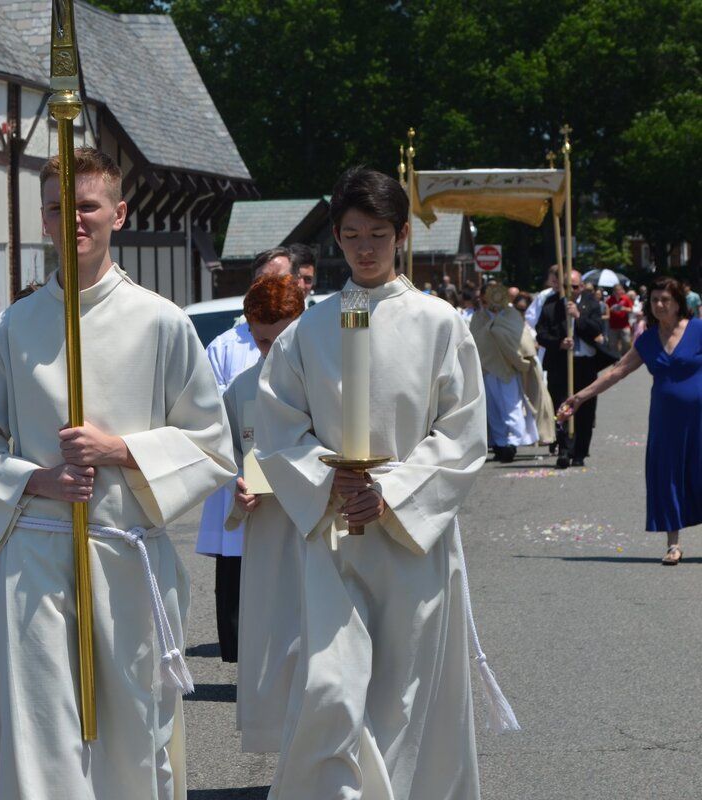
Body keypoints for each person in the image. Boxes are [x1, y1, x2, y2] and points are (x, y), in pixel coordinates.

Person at [0, 147, 235, 800]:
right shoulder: (13, 329)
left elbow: (211, 447)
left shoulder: (162, 323)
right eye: (58, 207)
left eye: (87, 205)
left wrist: (119, 449)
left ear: (118, 213)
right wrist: (36, 480)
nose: (73, 220)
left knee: (133, 743)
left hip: (125, 560)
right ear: (43, 218)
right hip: (37, 561)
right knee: (42, 742)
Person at [255, 166, 487, 799]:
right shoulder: (309, 328)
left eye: (378, 235)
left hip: (414, 539)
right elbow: (276, 426)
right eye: (352, 234)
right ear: (335, 236)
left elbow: (463, 434)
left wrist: (390, 490)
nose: (364, 248)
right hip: (333, 537)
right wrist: (328, 485)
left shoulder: (441, 324)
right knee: (332, 688)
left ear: (402, 235)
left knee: (407, 698)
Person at [217, 274, 307, 753]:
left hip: (319, 529)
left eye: (282, 338)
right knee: (275, 645)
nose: (272, 350)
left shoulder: (330, 381)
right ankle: (289, 757)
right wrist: (238, 493)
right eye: (261, 339)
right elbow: (230, 459)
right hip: (269, 534)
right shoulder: (242, 388)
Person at [559, 277, 702, 565]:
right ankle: (673, 545)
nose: (660, 305)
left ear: (678, 304)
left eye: (666, 300)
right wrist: (579, 397)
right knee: (668, 475)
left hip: (699, 417)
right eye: (655, 300)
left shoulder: (698, 330)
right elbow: (617, 372)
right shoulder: (647, 339)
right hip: (665, 420)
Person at [195, 245, 293, 662]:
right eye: (263, 341)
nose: (271, 350)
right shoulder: (236, 370)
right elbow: (225, 437)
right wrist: (240, 479)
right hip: (259, 507)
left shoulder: (327, 372)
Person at [536, 270, 617, 468]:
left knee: (585, 408)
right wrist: (559, 343)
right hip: (561, 364)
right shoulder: (551, 304)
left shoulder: (590, 303)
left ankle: (580, 451)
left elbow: (597, 329)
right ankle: (564, 449)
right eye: (566, 286)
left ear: (581, 286)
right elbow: (541, 334)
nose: (570, 290)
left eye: (574, 286)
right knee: (562, 406)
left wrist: (578, 316)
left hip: (585, 363)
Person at [470, 284, 552, 462]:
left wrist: (498, 331)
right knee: (492, 408)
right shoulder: (478, 317)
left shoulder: (511, 315)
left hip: (509, 367)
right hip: (488, 368)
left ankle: (513, 442)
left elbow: (521, 339)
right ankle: (499, 442)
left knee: (511, 406)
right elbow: (475, 338)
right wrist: (491, 330)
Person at [606, 282, 633, 355]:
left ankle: (624, 357)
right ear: (613, 291)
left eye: (619, 290)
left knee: (626, 342)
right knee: (612, 344)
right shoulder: (609, 300)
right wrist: (611, 309)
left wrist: (623, 308)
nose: (618, 292)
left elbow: (631, 309)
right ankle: (615, 358)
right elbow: (606, 311)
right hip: (613, 326)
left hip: (624, 325)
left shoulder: (626, 299)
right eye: (616, 290)